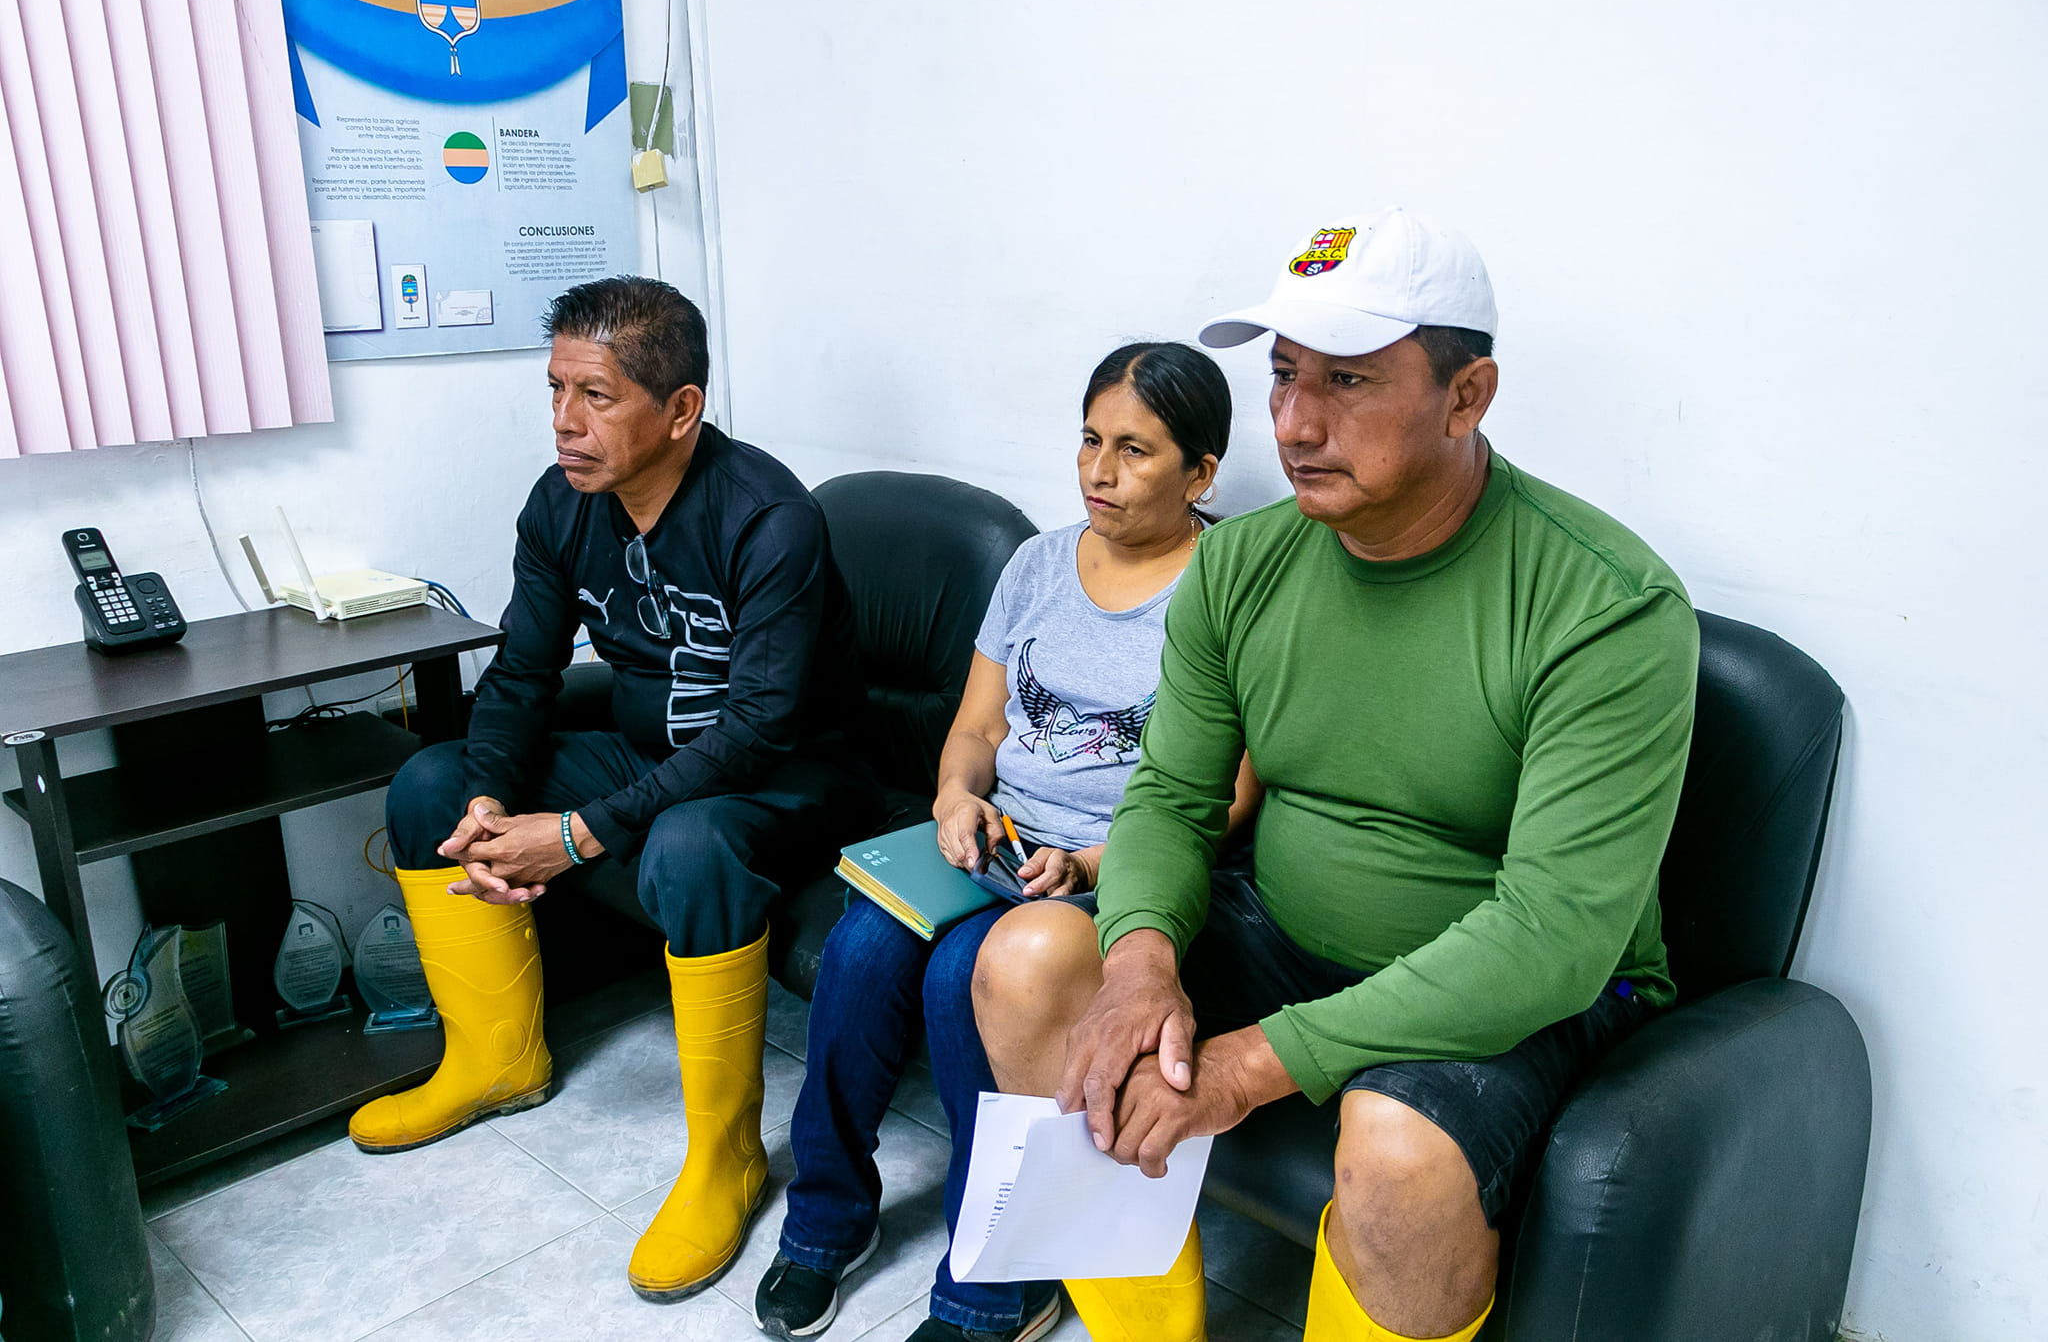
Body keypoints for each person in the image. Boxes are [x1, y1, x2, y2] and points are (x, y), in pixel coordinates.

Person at [973, 208, 1700, 1342]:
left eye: (1349, 381)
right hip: (1284, 929)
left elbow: (1553, 934)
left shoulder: (1605, 604)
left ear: (1466, 396)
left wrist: (1252, 1064)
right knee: (1026, 965)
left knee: (1397, 1150)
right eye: (1282, 376)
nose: (1296, 424)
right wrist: (1141, 961)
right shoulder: (1243, 564)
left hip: (1513, 986)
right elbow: (1172, 797)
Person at [351, 276, 883, 1304]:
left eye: (596, 395)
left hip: (795, 779)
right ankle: (496, 1058)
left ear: (681, 409)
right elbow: (522, 673)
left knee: (688, 842)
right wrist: (487, 800)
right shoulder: (562, 502)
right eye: (556, 390)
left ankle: (726, 1155)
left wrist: (578, 835)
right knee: (428, 781)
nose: (565, 421)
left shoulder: (767, 518)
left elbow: (757, 730)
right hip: (654, 762)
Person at [752, 343, 1262, 1342]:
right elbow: (979, 727)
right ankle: (825, 1221)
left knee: (959, 980)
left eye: (1134, 450)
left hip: (1117, 866)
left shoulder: (1228, 589)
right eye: (1089, 440)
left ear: (1201, 473)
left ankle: (994, 1280)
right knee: (859, 948)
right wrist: (954, 798)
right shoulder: (1036, 565)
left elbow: (1231, 795)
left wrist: (1091, 865)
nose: (1098, 471)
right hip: (997, 839)